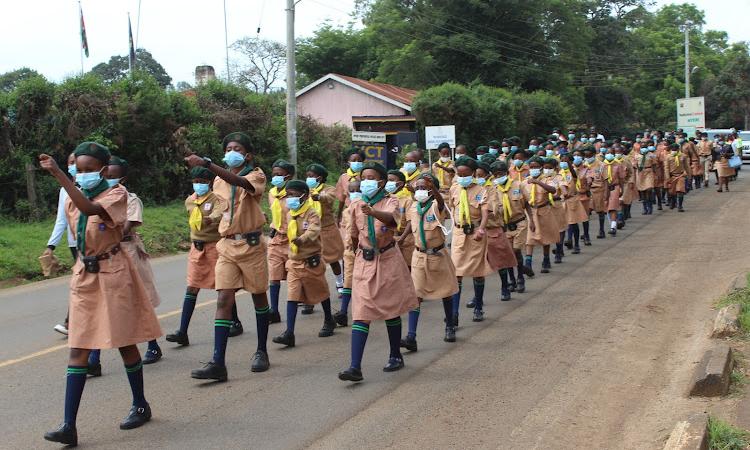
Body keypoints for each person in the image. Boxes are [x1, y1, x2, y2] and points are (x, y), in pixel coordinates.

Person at [40, 142, 162, 446]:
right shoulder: (72, 197)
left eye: (88, 170)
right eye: (77, 170)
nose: (81, 174)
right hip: (85, 275)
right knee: (78, 348)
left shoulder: (116, 195)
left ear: (104, 171)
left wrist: (59, 174)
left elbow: (90, 209)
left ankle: (140, 404)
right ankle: (69, 425)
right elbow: (75, 223)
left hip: (113, 273)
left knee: (124, 342)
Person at [186, 132, 271, 381]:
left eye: (237, 148)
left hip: (251, 246)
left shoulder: (256, 174)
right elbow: (222, 208)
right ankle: (218, 362)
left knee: (258, 297)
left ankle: (261, 351)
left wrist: (206, 163)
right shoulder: (218, 181)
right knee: (223, 299)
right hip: (227, 246)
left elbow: (242, 184)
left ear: (247, 154)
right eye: (229, 147)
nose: (232, 151)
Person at [338, 162, 418, 382]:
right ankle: (355, 367)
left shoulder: (391, 200)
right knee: (361, 312)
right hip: (365, 261)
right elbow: (353, 234)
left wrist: (373, 212)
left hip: (388, 259)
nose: (365, 181)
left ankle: (395, 354)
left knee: (391, 309)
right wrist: (356, 255)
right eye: (363, 177)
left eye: (370, 177)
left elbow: (392, 221)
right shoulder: (356, 204)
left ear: (381, 182)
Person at [165, 167, 227, 347]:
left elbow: (219, 213)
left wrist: (211, 219)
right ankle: (182, 331)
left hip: (214, 247)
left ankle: (234, 321)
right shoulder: (190, 201)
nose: (198, 184)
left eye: (202, 181)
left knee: (223, 287)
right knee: (192, 287)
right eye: (196, 181)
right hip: (197, 248)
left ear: (209, 183)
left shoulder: (217, 199)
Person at [272, 180, 336, 347]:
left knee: (321, 292)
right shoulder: (290, 213)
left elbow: (314, 229)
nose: (290, 199)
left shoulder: (311, 213)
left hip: (311, 261)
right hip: (294, 262)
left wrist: (303, 239)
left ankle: (329, 319)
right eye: (288, 195)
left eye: (293, 195)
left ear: (304, 196)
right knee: (292, 296)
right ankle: (289, 333)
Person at [400, 174, 459, 351]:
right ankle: (411, 336)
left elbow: (441, 203)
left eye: (423, 188)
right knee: (416, 295)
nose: (419, 191)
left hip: (437, 255)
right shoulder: (414, 207)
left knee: (445, 292)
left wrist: (433, 189)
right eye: (417, 188)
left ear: (432, 190)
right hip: (419, 255)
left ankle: (449, 325)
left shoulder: (436, 206)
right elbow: (412, 223)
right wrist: (402, 238)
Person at [449, 157, 491, 323]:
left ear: (473, 174)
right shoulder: (454, 189)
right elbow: (452, 209)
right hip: (460, 234)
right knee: (457, 274)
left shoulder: (481, 191)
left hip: (475, 234)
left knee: (477, 272)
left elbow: (485, 212)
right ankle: (454, 314)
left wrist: (481, 228)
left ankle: (478, 307)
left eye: (465, 174)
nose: (462, 177)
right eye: (459, 174)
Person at [491, 161, 535, 295]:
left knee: (515, 250)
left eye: (502, 174)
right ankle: (512, 280)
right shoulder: (494, 189)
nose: (499, 176)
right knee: (507, 254)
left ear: (507, 173)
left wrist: (532, 220)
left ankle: (520, 278)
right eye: (496, 175)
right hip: (504, 226)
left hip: (519, 223)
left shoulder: (518, 185)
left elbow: (527, 204)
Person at [47, 152, 78, 335]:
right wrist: (51, 246)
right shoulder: (64, 191)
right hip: (74, 243)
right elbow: (61, 220)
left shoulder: (94, 185)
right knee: (82, 282)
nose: (73, 166)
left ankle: (70, 322)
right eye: (70, 163)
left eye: (76, 162)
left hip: (93, 242)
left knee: (80, 283)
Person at [480, 161, 518, 301]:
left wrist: (485, 211)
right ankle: (478, 298)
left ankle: (505, 286)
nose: (478, 177)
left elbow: (498, 208)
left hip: (492, 229)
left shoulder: (494, 188)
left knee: (501, 261)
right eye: (475, 175)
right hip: (476, 233)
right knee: (477, 266)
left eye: (480, 174)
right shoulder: (470, 189)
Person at [305, 163, 345, 297]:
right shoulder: (305, 191)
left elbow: (329, 198)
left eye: (312, 176)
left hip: (327, 230)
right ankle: (312, 291)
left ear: (320, 178)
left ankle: (340, 282)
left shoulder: (329, 189)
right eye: (307, 176)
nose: (308, 178)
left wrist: (319, 197)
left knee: (333, 259)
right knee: (312, 261)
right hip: (311, 230)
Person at [522, 157, 559, 274]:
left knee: (545, 236)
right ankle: (528, 263)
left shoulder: (547, 179)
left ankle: (546, 259)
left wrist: (538, 182)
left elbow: (553, 190)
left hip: (544, 210)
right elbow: (523, 200)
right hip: (530, 212)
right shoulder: (525, 181)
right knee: (529, 238)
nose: (533, 169)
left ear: (541, 167)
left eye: (536, 167)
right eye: (531, 167)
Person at [267, 160, 294, 321]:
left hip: (292, 240)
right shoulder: (272, 193)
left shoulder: (295, 194)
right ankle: (274, 310)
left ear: (288, 176)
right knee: (274, 276)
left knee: (295, 275)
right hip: (276, 239)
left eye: (279, 174)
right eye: (274, 174)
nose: (275, 177)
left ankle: (305, 301)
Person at [333, 180, 361, 327]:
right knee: (348, 281)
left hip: (364, 251)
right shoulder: (346, 211)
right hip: (350, 251)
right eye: (352, 190)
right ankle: (343, 312)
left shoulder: (368, 209)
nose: (355, 192)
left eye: (358, 189)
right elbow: (345, 233)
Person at [559, 155, 587, 254]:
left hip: (572, 200)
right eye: (561, 161)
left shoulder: (573, 171)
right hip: (562, 201)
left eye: (565, 161)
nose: (563, 162)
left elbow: (574, 176)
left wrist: (569, 165)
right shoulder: (559, 173)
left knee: (573, 223)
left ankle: (576, 245)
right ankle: (560, 249)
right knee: (561, 226)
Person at [387, 169, 415, 268]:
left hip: (405, 238)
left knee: (407, 266)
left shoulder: (407, 201)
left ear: (400, 184)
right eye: (387, 180)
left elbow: (410, 222)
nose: (388, 183)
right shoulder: (385, 199)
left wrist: (401, 238)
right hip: (389, 238)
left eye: (391, 180)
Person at [664, 143, 689, 211]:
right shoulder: (668, 157)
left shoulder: (683, 156)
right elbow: (666, 168)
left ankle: (680, 206)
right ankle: (673, 202)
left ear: (678, 149)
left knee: (680, 191)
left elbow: (686, 166)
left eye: (676, 148)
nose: (674, 149)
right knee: (672, 192)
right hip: (672, 176)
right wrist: (667, 177)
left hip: (681, 175)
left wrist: (689, 175)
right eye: (673, 148)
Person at [635, 141, 657, 215]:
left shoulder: (652, 155)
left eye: (645, 147)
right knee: (642, 191)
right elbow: (635, 165)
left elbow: (654, 165)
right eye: (642, 147)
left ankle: (650, 206)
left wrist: (655, 174)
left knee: (649, 189)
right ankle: (645, 208)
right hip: (641, 173)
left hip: (649, 172)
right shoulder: (637, 155)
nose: (643, 148)